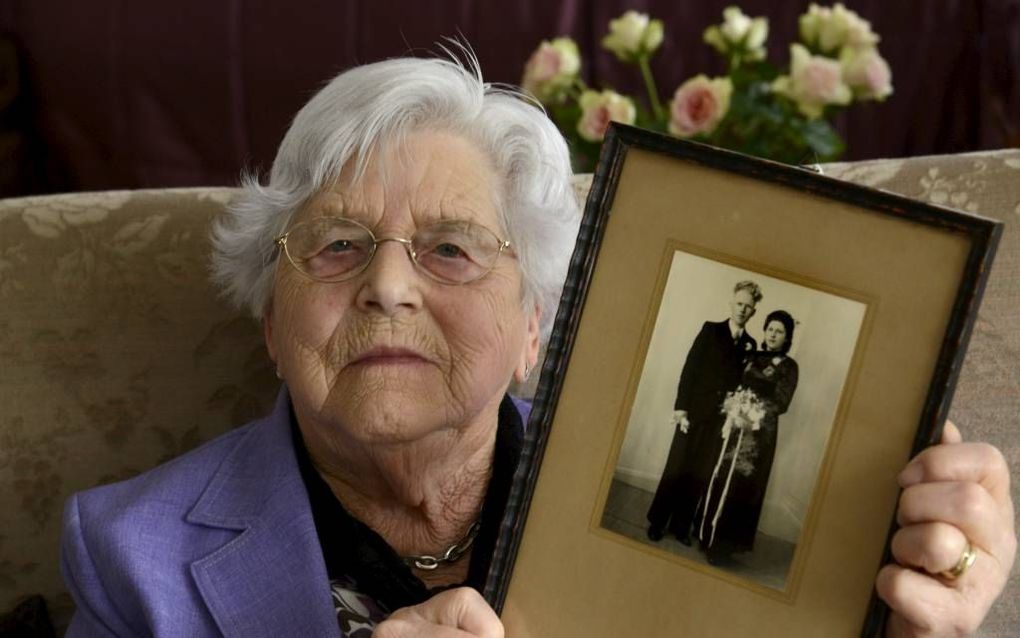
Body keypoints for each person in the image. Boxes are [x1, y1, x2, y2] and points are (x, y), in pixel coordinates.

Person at [58, 54, 1015, 638]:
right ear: (272, 322)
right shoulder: (129, 561)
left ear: (532, 332)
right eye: (338, 245)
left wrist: (895, 610)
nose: (388, 286)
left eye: (451, 249)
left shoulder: (651, 522)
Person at [646, 281, 762, 544]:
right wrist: (681, 408)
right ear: (732, 303)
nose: (743, 310)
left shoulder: (750, 345)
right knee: (677, 466)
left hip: (721, 421)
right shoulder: (711, 330)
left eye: (749, 307)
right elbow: (690, 370)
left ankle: (681, 526)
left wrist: (737, 414)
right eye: (740, 304)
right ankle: (657, 521)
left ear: (754, 312)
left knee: (701, 472)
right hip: (694, 413)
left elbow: (744, 384)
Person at [696, 309, 799, 563]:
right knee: (719, 475)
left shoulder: (788, 366)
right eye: (770, 329)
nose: (773, 335)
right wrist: (734, 407)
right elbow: (737, 384)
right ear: (764, 331)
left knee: (741, 487)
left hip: (758, 436)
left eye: (779, 331)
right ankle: (706, 534)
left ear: (787, 337)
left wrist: (751, 413)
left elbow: (781, 403)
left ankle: (723, 547)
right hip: (733, 428)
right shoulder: (752, 355)